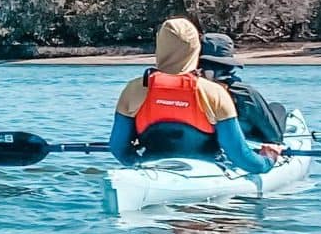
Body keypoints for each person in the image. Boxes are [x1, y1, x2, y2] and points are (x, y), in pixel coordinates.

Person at [109, 17, 274, 174]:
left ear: (160, 46)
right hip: (207, 170)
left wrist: (139, 166)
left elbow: (118, 148)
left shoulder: (134, 89)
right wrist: (268, 160)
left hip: (151, 167)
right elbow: (241, 157)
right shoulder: (214, 93)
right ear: (195, 48)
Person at [197, 31, 286, 146]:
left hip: (200, 142)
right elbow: (274, 137)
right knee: (277, 108)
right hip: (240, 142)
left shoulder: (187, 89)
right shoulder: (245, 93)